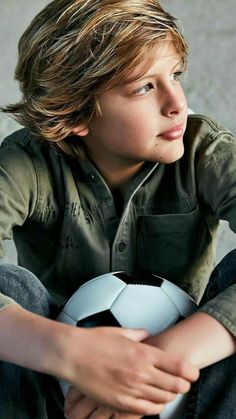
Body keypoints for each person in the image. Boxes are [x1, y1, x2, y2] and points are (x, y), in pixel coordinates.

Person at [0, 0, 235, 418]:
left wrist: (155, 361)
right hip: (58, 391)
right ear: (75, 113)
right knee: (11, 285)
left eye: (175, 75)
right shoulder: (25, 163)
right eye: (144, 87)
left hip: (186, 381)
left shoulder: (205, 152)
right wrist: (72, 356)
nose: (177, 102)